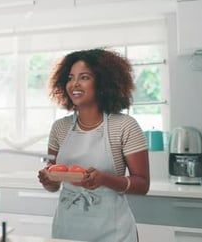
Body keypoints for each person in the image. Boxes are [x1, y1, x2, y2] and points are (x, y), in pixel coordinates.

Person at [38, 49, 150, 241]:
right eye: (70, 78)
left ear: (102, 83)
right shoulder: (60, 128)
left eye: (84, 77)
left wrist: (104, 180)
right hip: (67, 227)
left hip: (112, 230)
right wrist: (49, 181)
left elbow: (142, 184)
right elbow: (54, 184)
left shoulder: (124, 126)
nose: (74, 84)